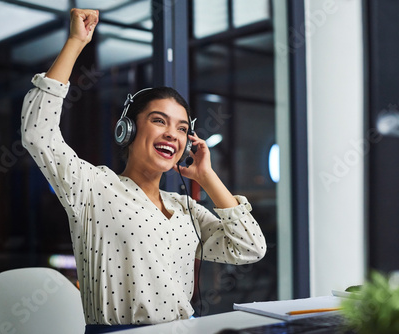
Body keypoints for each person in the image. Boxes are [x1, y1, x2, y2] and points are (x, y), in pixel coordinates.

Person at [21, 8, 266, 334]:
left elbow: (249, 247)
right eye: (159, 121)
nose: (172, 135)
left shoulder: (185, 209)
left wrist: (207, 177)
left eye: (181, 129)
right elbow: (38, 133)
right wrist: (76, 43)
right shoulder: (94, 188)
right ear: (127, 130)